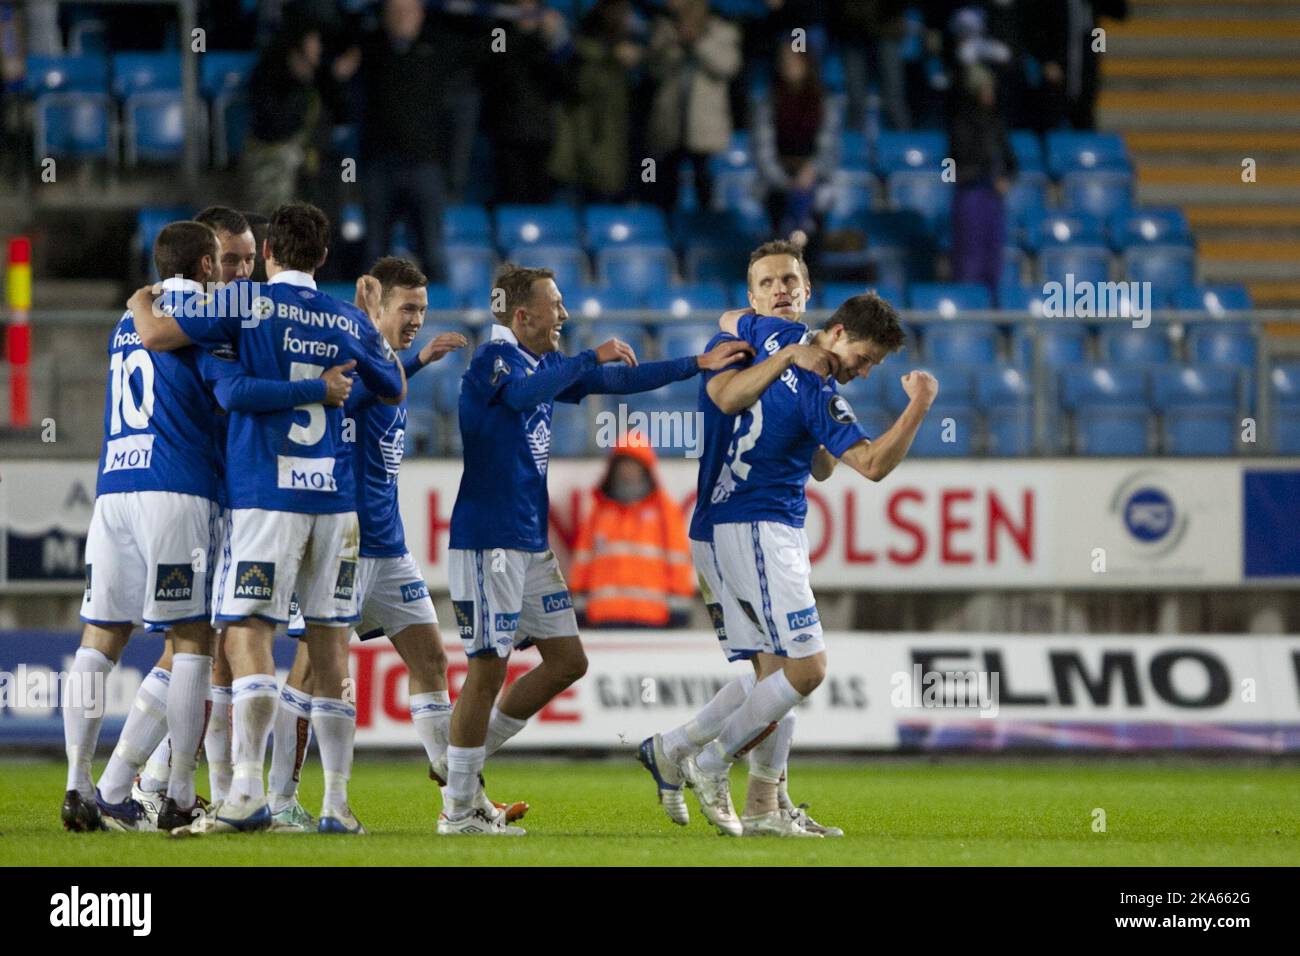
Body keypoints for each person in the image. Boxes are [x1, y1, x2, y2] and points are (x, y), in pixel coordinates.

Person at [439, 263, 752, 835]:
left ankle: (460, 760)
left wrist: (695, 365)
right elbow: (523, 397)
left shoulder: (542, 364)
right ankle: (458, 807)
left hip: (528, 543)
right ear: (522, 314)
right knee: (487, 667)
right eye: (555, 305)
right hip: (490, 541)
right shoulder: (495, 361)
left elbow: (618, 382)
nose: (564, 314)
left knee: (567, 661)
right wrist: (587, 358)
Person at [128, 201, 407, 835]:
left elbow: (163, 332)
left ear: (271, 254)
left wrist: (141, 300)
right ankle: (336, 805)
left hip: (265, 498)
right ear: (325, 257)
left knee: (247, 632)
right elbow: (391, 387)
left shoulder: (243, 304)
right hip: (335, 507)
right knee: (332, 649)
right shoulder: (343, 316)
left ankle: (246, 791)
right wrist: (364, 327)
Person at [679, 293, 934, 837]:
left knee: (776, 674)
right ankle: (707, 759)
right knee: (807, 670)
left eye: (872, 368)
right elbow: (870, 465)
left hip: (744, 522)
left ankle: (762, 805)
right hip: (760, 524)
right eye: (864, 358)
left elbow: (729, 316)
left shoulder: (775, 338)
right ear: (837, 332)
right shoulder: (817, 385)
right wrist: (920, 404)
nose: (862, 373)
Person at [639, 239, 854, 836]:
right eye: (768, 282)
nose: (781, 288)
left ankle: (735, 787)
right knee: (795, 670)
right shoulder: (736, 343)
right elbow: (725, 396)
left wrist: (822, 404)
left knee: (774, 677)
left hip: (766, 521)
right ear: (752, 296)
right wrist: (788, 359)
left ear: (807, 291)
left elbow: (823, 467)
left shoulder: (815, 358)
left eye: (790, 280)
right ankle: (717, 768)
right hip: (740, 518)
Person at [569, 432, 694, 629]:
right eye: (623, 464)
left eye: (634, 464)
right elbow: (583, 561)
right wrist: (579, 604)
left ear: (646, 469)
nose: (628, 471)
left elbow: (678, 561)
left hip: (652, 618)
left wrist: (679, 607)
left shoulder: (665, 512)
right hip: (603, 617)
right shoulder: (598, 512)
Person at [646, 0, 742, 212]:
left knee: (705, 189)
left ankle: (706, 237)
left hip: (705, 129)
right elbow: (653, 69)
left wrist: (697, 44)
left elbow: (729, 66)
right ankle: (668, 233)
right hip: (670, 127)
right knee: (663, 188)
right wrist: (675, 44)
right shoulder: (664, 30)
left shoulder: (722, 30)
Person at [549, 0, 644, 203]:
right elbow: (585, 88)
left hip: (621, 145)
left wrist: (640, 61)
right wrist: (610, 59)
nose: (631, 21)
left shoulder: (634, 53)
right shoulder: (584, 54)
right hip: (588, 141)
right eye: (626, 16)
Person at [752, 45, 840, 238]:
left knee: (811, 238)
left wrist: (811, 171)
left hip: (814, 181)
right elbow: (762, 150)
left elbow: (829, 146)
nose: (789, 66)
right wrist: (785, 182)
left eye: (795, 61)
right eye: (785, 62)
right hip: (776, 183)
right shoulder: (768, 102)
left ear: (807, 64)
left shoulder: (823, 101)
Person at [949, 62, 1017, 300]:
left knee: (992, 257)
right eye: (986, 88)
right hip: (970, 194)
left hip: (992, 197)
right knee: (970, 256)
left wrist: (1005, 178)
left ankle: (992, 304)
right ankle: (968, 304)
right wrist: (983, 173)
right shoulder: (961, 123)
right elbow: (957, 161)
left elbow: (1011, 161)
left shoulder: (996, 123)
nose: (990, 94)